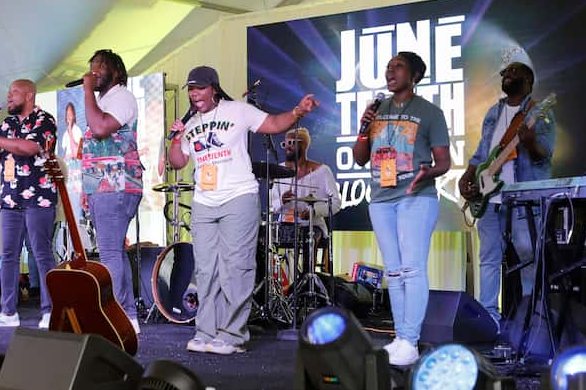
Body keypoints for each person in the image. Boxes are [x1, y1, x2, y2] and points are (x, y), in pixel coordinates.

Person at [168, 65, 320, 355]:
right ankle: (205, 332)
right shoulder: (189, 123)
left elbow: (275, 124)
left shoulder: (238, 110)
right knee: (205, 269)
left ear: (214, 88)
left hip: (238, 195)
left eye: (200, 87)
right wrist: (177, 137)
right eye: (191, 89)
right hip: (204, 200)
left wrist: (298, 111)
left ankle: (231, 335)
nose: (194, 93)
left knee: (236, 268)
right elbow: (177, 161)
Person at [351, 52, 450, 366]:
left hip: (415, 196)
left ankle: (411, 339)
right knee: (393, 272)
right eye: (387, 67)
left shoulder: (430, 112)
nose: (390, 71)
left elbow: (444, 162)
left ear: (415, 75)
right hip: (381, 199)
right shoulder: (376, 111)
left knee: (412, 269)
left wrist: (427, 173)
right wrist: (364, 127)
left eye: (398, 67)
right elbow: (359, 158)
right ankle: (401, 338)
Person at [458, 61, 555, 329]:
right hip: (490, 200)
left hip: (523, 198)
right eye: (504, 72)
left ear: (528, 81)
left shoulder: (539, 113)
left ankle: (532, 319)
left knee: (528, 257)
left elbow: (544, 154)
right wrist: (467, 177)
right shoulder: (493, 112)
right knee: (488, 259)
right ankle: (489, 319)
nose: (507, 75)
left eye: (514, 72)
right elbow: (481, 154)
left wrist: (530, 141)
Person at [0, 79, 58, 330]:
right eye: (9, 92)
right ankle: (8, 313)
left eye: (14, 92)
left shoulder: (44, 120)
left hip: (39, 197)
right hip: (10, 198)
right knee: (8, 255)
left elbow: (27, 147)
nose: (9, 96)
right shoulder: (7, 123)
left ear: (29, 95)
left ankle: (51, 312)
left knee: (41, 254)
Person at [79, 49, 143, 335]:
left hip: (117, 185)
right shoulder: (104, 100)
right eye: (91, 68)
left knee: (108, 253)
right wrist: (87, 189)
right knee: (114, 251)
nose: (93, 73)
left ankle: (113, 319)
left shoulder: (122, 97)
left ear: (116, 71)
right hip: (102, 186)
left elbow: (101, 128)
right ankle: (128, 317)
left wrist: (86, 91)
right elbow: (96, 149)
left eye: (99, 67)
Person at [269, 126, 341, 273]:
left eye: (291, 143)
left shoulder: (322, 171)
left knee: (309, 237)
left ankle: (307, 281)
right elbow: (271, 204)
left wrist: (313, 211)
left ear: (303, 145)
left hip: (313, 226)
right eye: (285, 144)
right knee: (265, 238)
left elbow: (335, 203)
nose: (287, 148)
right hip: (285, 226)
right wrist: (281, 201)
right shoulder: (279, 170)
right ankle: (274, 284)